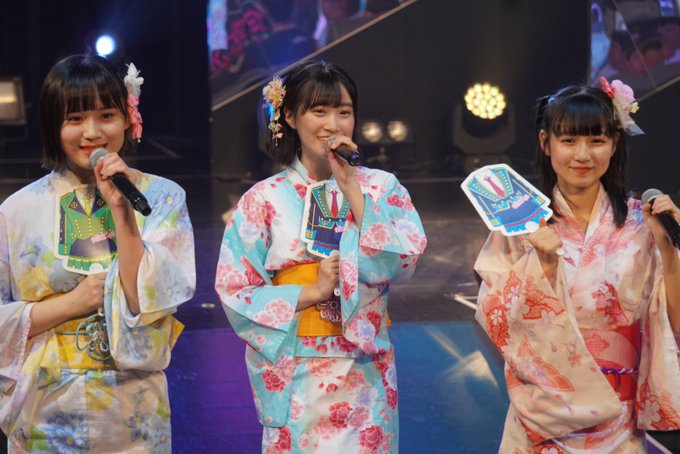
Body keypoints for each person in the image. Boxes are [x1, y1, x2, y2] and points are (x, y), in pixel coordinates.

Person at [215, 60, 426, 452]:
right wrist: (310, 292)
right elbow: (235, 289)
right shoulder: (263, 199)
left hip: (364, 369)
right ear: (290, 117)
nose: (333, 124)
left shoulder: (381, 188)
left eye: (344, 112)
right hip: (295, 369)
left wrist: (351, 187)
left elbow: (403, 262)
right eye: (319, 111)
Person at [0, 53, 195, 452]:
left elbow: (150, 300)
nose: (92, 132)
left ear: (128, 118)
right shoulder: (16, 211)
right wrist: (72, 304)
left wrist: (122, 211)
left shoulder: (161, 198)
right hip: (46, 408)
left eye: (106, 115)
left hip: (133, 406)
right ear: (53, 125)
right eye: (74, 118)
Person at [474, 77, 680, 452]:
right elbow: (495, 319)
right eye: (568, 140)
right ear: (545, 143)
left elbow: (675, 324)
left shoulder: (642, 224)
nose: (582, 155)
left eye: (596, 140)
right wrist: (542, 268)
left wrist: (668, 252)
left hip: (619, 418)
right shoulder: (519, 225)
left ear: (615, 143)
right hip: (544, 419)